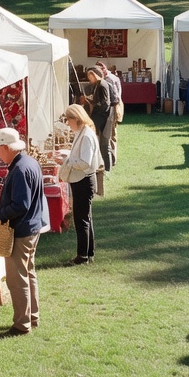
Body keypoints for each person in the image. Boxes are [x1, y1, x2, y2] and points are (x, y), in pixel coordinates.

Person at [0, 128, 49, 335]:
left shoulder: (21, 169)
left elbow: (20, 205)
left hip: (23, 229)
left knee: (17, 278)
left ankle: (22, 324)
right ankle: (32, 317)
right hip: (32, 226)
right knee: (28, 273)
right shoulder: (29, 162)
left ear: (7, 147)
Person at [58, 104, 101, 266]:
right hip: (81, 180)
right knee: (85, 218)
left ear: (76, 118)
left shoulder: (87, 135)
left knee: (81, 219)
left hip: (84, 180)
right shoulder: (81, 133)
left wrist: (67, 161)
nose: (67, 123)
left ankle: (82, 256)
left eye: (68, 120)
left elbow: (84, 162)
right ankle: (88, 253)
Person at [85, 67, 115, 172]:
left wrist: (94, 104)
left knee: (104, 144)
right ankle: (103, 166)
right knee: (102, 143)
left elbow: (105, 104)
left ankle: (107, 168)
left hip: (105, 117)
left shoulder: (102, 85)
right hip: (102, 116)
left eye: (90, 76)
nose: (89, 79)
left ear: (95, 75)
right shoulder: (97, 85)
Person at [97, 62, 122, 169]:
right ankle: (111, 158)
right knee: (111, 134)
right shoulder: (113, 77)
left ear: (104, 69)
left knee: (110, 134)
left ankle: (112, 159)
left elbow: (115, 97)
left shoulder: (109, 80)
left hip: (113, 107)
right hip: (114, 105)